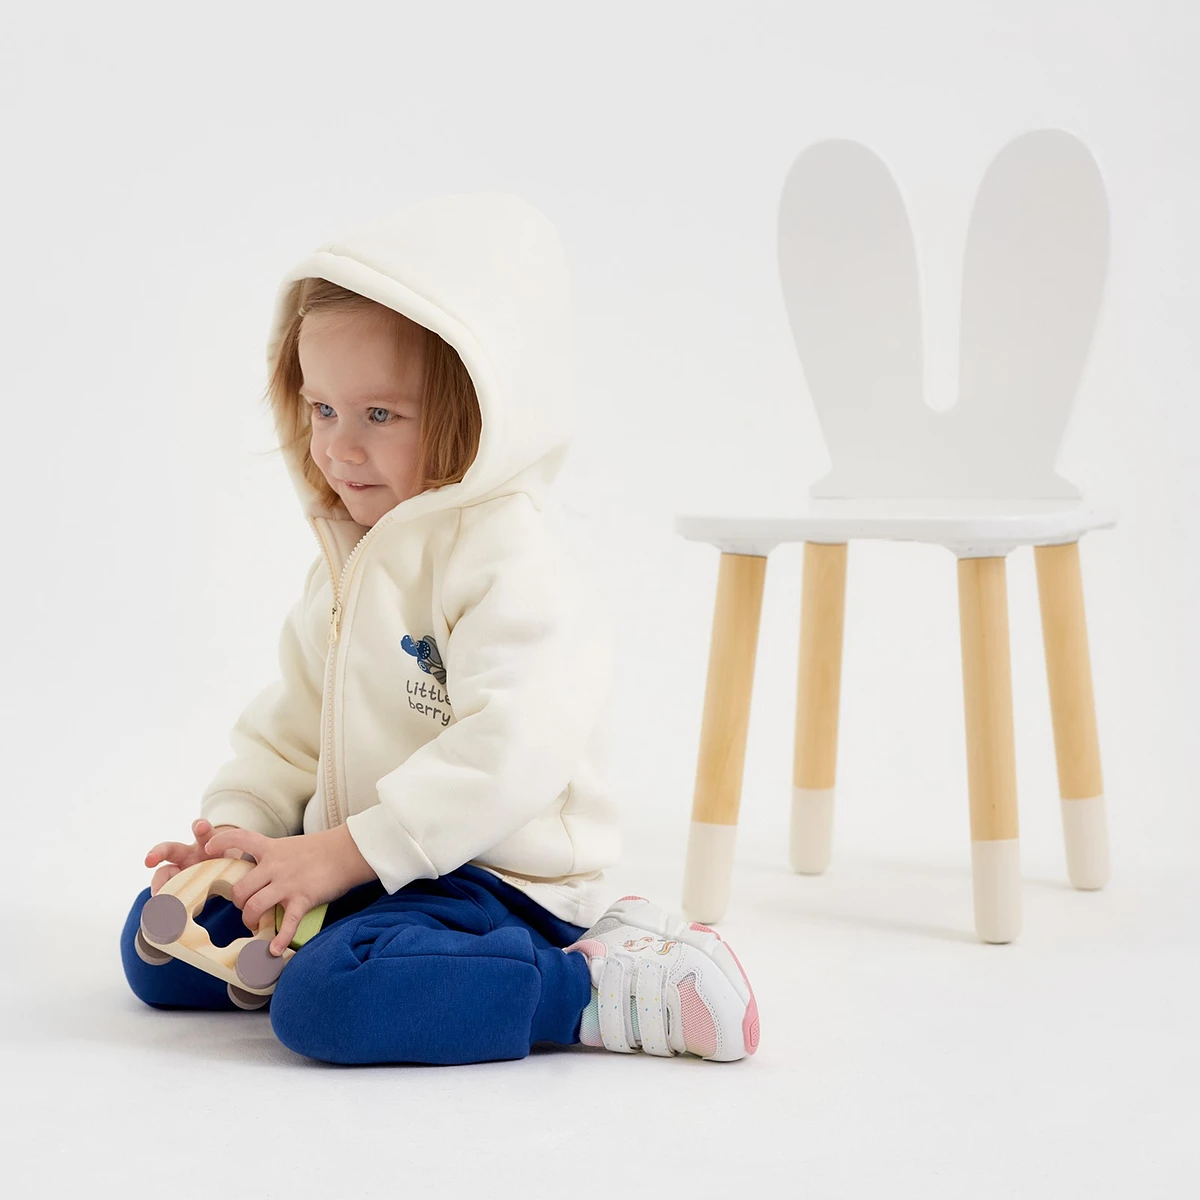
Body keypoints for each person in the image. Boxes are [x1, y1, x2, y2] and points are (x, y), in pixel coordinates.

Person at [119, 192, 760, 1066]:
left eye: (379, 415)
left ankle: (590, 984)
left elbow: (509, 752)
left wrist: (348, 852)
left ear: (475, 415)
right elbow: (292, 729)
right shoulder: (349, 557)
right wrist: (238, 835)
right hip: (364, 866)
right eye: (322, 410)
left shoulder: (510, 561)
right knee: (156, 950)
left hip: (492, 879)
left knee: (328, 1004)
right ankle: (332, 946)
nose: (339, 449)